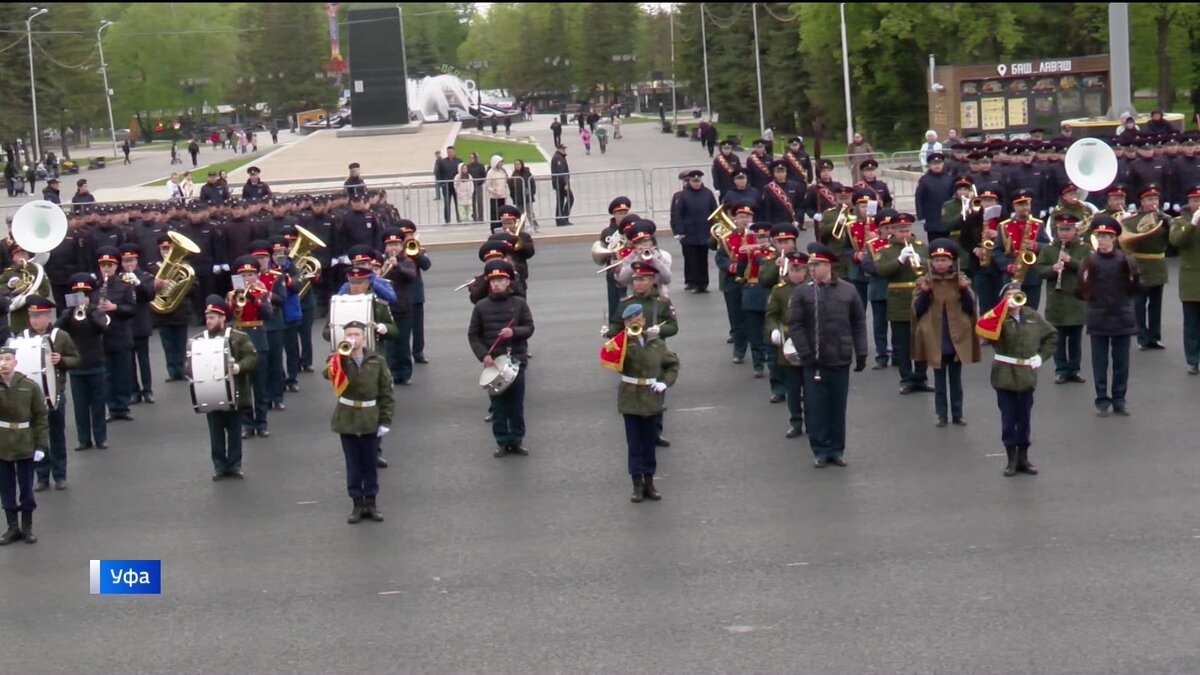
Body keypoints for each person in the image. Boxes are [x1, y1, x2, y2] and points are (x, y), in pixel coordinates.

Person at [787, 243, 868, 468]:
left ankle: (837, 449)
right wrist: (805, 352)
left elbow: (858, 322)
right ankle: (820, 449)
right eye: (811, 265)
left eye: (818, 265)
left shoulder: (848, 290)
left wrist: (861, 351)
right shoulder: (802, 291)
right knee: (816, 407)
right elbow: (795, 324)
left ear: (829, 265)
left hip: (840, 356)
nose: (813, 269)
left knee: (837, 406)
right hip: (814, 360)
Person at [975, 282, 1057, 476]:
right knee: (1008, 419)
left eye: (1017, 294)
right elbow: (982, 328)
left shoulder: (1032, 316)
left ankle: (1023, 458)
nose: (1014, 298)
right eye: (1009, 295)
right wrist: (1001, 310)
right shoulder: (998, 318)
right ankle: (1011, 459)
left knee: (1024, 419)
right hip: (1005, 374)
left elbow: (1051, 336)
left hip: (1026, 375)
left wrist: (1041, 356)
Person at [601, 302, 679, 503]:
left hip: (651, 398)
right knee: (634, 444)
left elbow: (672, 364)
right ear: (625, 323)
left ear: (643, 320)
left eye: (637, 320)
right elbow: (612, 363)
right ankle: (637, 484)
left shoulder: (656, 343)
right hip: (631, 398)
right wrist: (615, 340)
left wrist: (665, 383)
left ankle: (649, 482)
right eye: (629, 321)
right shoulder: (622, 343)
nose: (634, 323)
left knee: (649, 443)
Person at [324, 319, 394, 524]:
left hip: (369, 416)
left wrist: (385, 420)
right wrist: (341, 358)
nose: (352, 338)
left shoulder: (377, 361)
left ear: (364, 338)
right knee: (353, 465)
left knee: (369, 463)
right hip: (347, 418)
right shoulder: (338, 358)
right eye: (349, 335)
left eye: (356, 335)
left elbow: (386, 392)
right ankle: (356, 503)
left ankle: (371, 503)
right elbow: (327, 374)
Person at [468, 259, 534, 457]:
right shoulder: (481, 306)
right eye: (493, 280)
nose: (496, 284)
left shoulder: (519, 303)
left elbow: (529, 327)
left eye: (500, 280)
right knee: (498, 406)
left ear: (508, 282)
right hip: (493, 362)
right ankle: (502, 441)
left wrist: (513, 332)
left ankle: (517, 440)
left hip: (516, 360)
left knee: (516, 405)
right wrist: (484, 355)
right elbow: (473, 335)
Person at [912, 239, 979, 427]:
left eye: (944, 260)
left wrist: (964, 290)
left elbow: (970, 307)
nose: (940, 264)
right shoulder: (924, 282)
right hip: (936, 337)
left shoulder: (961, 281)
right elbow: (917, 310)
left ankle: (958, 414)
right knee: (939, 381)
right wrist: (925, 292)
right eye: (937, 260)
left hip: (955, 337)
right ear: (931, 262)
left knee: (956, 381)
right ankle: (941, 414)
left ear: (952, 261)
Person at [1078, 217, 1139, 416]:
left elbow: (1135, 286)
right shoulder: (1089, 261)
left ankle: (1119, 399)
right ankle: (1102, 398)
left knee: (1121, 363)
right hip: (1098, 316)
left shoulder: (1125, 260)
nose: (1102, 240)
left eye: (1106, 236)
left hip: (1121, 315)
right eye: (1099, 236)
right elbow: (1080, 289)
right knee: (1100, 362)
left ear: (1114, 238)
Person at [17, 296, 79, 492]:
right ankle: (42, 476)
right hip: (31, 398)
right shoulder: (22, 337)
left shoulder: (60, 336)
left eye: (38, 316)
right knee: (37, 437)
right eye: (31, 316)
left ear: (47, 316)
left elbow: (75, 359)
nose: (34, 320)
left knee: (56, 435)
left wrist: (61, 360)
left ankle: (60, 475)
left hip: (55, 393)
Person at [192, 296, 257, 481]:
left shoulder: (239, 337)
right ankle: (219, 466)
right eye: (207, 317)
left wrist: (238, 367)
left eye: (212, 317)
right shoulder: (199, 341)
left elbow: (252, 358)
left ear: (222, 318)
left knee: (235, 432)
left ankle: (235, 465)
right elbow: (189, 363)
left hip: (235, 393)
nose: (208, 321)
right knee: (216, 433)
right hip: (210, 393)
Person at [875, 213, 931, 394]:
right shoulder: (886, 250)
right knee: (902, 343)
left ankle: (921, 377)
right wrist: (899, 260)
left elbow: (933, 265)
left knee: (921, 340)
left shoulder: (921, 247)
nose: (904, 234)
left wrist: (920, 260)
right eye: (900, 231)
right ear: (892, 231)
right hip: (898, 298)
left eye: (906, 230)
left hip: (921, 296)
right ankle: (906, 378)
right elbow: (881, 271)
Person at [0, 344, 50, 545]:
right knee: (6, 488)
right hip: (2, 443)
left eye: (7, 359)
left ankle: (27, 526)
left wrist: (41, 445)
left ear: (15, 362)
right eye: (0, 359)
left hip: (24, 441)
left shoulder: (29, 386)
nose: (4, 363)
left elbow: (40, 417)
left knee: (26, 487)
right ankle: (12, 527)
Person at [1035, 213, 1091, 384]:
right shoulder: (1049, 249)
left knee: (1075, 339)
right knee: (1058, 339)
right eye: (1061, 229)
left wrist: (1071, 261)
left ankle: (1074, 369)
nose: (1064, 233)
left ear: (1075, 230)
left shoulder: (1084, 248)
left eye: (1068, 229)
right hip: (1056, 300)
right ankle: (1061, 370)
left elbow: (1089, 268)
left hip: (1076, 300)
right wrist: (1053, 269)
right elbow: (1039, 270)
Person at [57, 274, 108, 452]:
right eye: (78, 294)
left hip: (96, 364)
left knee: (98, 404)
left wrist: (90, 312)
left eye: (85, 294)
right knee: (80, 407)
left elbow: (102, 328)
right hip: (77, 367)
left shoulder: (96, 312)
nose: (82, 298)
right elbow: (57, 329)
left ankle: (101, 438)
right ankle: (83, 439)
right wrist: (69, 313)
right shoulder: (68, 314)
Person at [228, 255, 274, 438]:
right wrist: (235, 300)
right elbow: (229, 315)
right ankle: (247, 424)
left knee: (260, 385)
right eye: (244, 275)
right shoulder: (232, 295)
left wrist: (256, 300)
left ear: (256, 275)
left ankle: (262, 423)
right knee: (243, 385)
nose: (247, 278)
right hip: (239, 339)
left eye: (251, 274)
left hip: (258, 337)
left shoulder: (262, 293)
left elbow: (268, 314)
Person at [1121, 185, 1171, 350]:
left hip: (1158, 265)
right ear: (1142, 202)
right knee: (1139, 305)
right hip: (1140, 265)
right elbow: (1126, 242)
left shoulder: (1164, 220)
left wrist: (1168, 224)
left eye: (1155, 199)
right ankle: (1142, 338)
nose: (1153, 202)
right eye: (1149, 199)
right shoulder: (1132, 220)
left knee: (1156, 306)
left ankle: (1154, 338)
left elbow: (1173, 240)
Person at [766, 249, 809, 438]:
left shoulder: (814, 288)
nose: (796, 273)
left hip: (809, 340)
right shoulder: (779, 290)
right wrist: (773, 330)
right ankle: (795, 421)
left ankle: (812, 421)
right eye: (793, 269)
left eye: (800, 269)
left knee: (811, 387)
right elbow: (771, 315)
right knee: (793, 387)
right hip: (788, 342)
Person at [119, 244, 156, 405]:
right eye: (126, 261)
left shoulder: (145, 276)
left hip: (141, 322)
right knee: (129, 361)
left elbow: (150, 295)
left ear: (136, 260)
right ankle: (134, 390)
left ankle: (148, 390)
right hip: (126, 323)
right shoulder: (119, 278)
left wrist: (138, 283)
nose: (129, 264)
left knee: (143, 358)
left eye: (131, 260)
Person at [1169, 186, 1200, 374]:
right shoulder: (1180, 221)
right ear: (1189, 203)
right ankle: (1193, 360)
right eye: (1195, 201)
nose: (1198, 204)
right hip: (1191, 280)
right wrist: (1193, 224)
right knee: (1191, 324)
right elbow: (1176, 241)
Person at [672, 170, 718, 294]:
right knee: (692, 260)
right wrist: (680, 231)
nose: (696, 183)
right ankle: (694, 283)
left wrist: (714, 228)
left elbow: (714, 211)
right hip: (689, 233)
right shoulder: (683, 195)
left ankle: (704, 284)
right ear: (690, 182)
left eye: (698, 181)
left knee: (703, 259)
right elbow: (678, 214)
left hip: (704, 232)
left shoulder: (707, 193)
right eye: (694, 181)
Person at [915, 152, 954, 237]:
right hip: (931, 217)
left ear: (943, 164)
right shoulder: (924, 180)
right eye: (934, 164)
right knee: (933, 241)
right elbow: (919, 199)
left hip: (947, 217)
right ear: (930, 165)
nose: (937, 166)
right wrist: (921, 216)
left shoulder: (950, 179)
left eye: (939, 163)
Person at [509, 159, 537, 229]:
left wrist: (531, 192)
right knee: (520, 214)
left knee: (529, 212)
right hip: (518, 197)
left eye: (519, 164)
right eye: (516, 164)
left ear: (522, 165)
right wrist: (513, 196)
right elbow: (511, 187)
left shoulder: (527, 173)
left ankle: (535, 226)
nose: (517, 166)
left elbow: (532, 183)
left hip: (527, 197)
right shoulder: (514, 175)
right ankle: (521, 228)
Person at [438, 147, 463, 222]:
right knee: (447, 202)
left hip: (456, 185)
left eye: (451, 152)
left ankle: (459, 218)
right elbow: (439, 173)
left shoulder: (459, 161)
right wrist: (441, 183)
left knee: (458, 202)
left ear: (454, 152)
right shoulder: (442, 162)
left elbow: (462, 172)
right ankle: (447, 219)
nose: (450, 153)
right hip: (446, 186)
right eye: (448, 152)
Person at [551, 144, 573, 226]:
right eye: (563, 149)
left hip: (560, 183)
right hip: (561, 183)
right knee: (570, 199)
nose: (564, 150)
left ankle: (560, 219)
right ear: (559, 149)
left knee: (560, 201)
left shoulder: (560, 157)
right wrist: (566, 184)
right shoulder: (558, 158)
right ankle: (563, 218)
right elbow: (562, 172)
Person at [485, 155, 509, 230]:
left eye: (501, 162)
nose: (501, 164)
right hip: (494, 196)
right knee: (494, 213)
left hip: (502, 195)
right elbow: (488, 185)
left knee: (502, 213)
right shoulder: (490, 172)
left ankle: (502, 227)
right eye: (499, 162)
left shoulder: (502, 171)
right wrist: (494, 191)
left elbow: (505, 181)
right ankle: (494, 228)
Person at [466, 152, 487, 222]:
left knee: (479, 201)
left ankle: (481, 217)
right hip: (471, 185)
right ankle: (474, 216)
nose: (471, 159)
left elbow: (484, 175)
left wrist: (480, 182)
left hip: (478, 185)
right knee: (472, 201)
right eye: (470, 157)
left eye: (472, 157)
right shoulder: (468, 166)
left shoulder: (481, 166)